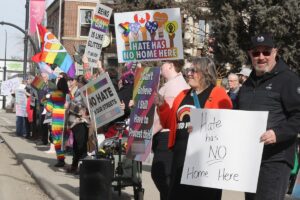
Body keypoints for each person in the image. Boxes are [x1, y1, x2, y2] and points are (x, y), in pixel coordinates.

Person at [156, 57, 232, 200]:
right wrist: (162, 106)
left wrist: (203, 129)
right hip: (179, 161)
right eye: (187, 70)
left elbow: (226, 129)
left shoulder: (218, 94)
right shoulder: (182, 95)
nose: (188, 74)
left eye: (193, 70)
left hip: (204, 166)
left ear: (206, 72)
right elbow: (169, 124)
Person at [238, 33, 300, 200]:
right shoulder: (247, 84)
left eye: (266, 52)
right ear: (250, 54)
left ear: (275, 52)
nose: (261, 57)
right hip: (250, 159)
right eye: (256, 53)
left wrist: (277, 133)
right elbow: (234, 118)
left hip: (275, 159)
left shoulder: (288, 80)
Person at [151, 60, 190, 200]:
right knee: (164, 176)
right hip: (165, 135)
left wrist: (149, 132)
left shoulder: (175, 86)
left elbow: (165, 117)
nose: (160, 66)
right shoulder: (173, 83)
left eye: (163, 63)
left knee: (161, 174)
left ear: (171, 65)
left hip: (166, 135)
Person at [66, 75, 90, 173]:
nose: (76, 83)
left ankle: (81, 167)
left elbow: (84, 107)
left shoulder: (85, 91)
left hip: (81, 121)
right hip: (76, 122)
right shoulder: (78, 91)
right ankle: (74, 165)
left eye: (77, 82)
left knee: (81, 146)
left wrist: (70, 106)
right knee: (76, 145)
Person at [45, 76, 69, 167]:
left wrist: (45, 101)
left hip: (57, 120)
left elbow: (49, 108)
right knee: (66, 140)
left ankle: (61, 159)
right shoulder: (69, 95)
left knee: (57, 140)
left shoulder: (54, 94)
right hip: (67, 120)